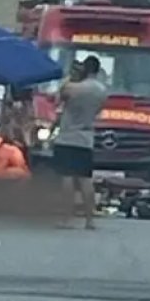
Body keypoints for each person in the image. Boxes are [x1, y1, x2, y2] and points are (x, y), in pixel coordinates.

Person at [53, 55, 108, 230]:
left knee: (67, 178)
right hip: (86, 138)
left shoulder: (74, 88)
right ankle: (90, 220)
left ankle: (67, 218)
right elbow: (98, 110)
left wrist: (71, 76)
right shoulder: (101, 90)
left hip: (67, 136)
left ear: (84, 68)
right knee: (85, 179)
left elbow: (60, 95)